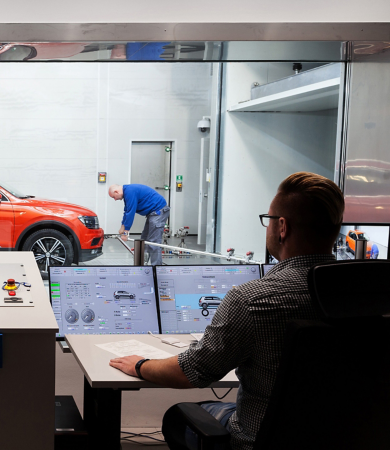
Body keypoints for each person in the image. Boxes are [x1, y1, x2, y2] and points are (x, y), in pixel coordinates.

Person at [107, 172, 345, 450]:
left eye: (267, 220)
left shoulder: (252, 300)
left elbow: (192, 372)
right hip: (351, 436)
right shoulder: (371, 295)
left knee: (178, 416)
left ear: (282, 227)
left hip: (257, 440)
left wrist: (140, 365)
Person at [108, 183, 170, 265]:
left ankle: (156, 268)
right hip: (152, 213)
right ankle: (142, 263)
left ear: (116, 192)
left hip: (159, 211)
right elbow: (127, 211)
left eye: (113, 197)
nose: (115, 199)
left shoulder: (130, 192)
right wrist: (122, 226)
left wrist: (125, 232)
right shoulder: (127, 192)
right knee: (144, 239)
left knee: (154, 242)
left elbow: (131, 212)